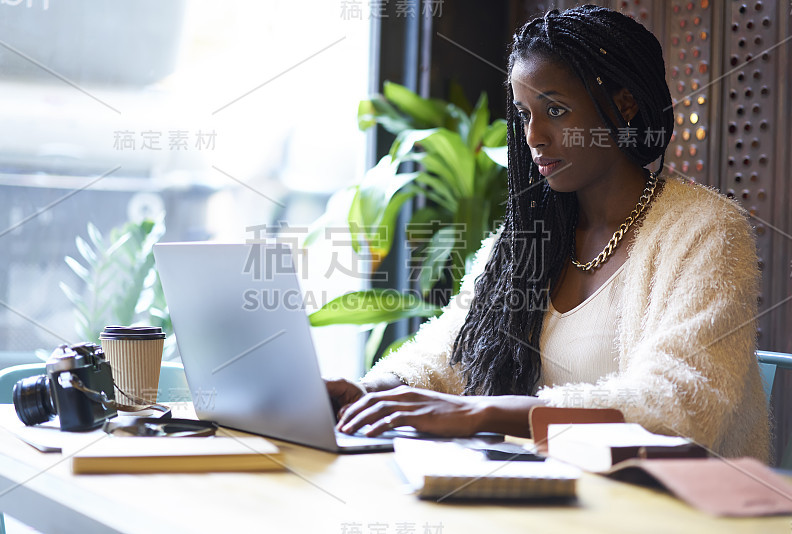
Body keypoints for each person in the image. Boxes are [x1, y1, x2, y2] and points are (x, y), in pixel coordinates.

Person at [327, 5, 769, 461]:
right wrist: (368, 391)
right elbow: (450, 353)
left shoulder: (707, 231)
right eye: (524, 114)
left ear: (623, 104)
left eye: (555, 110)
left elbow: (677, 408)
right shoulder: (527, 236)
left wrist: (483, 412)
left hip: (673, 510)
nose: (533, 136)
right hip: (551, 499)